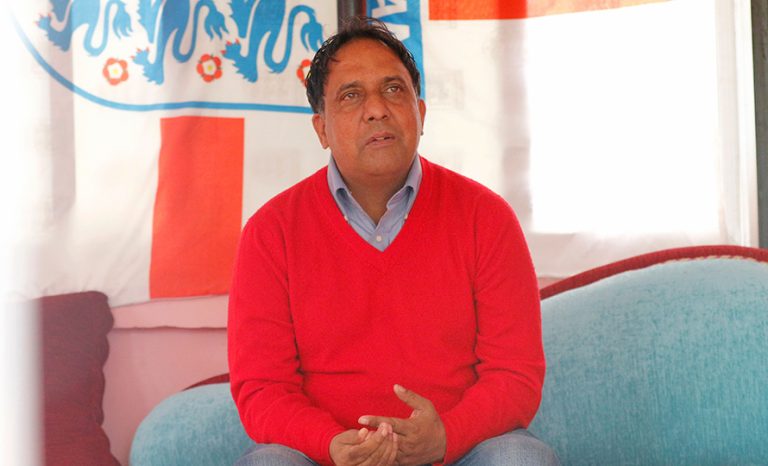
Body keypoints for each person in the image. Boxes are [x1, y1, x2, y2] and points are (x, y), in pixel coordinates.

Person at [228, 17, 560, 466]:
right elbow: (262, 389)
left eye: (393, 89)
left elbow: (515, 374)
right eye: (351, 95)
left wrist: (446, 436)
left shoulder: (487, 217)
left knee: (518, 459)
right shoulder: (271, 233)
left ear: (420, 114)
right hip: (327, 457)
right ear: (321, 129)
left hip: (459, 452)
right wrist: (332, 443)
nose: (377, 110)